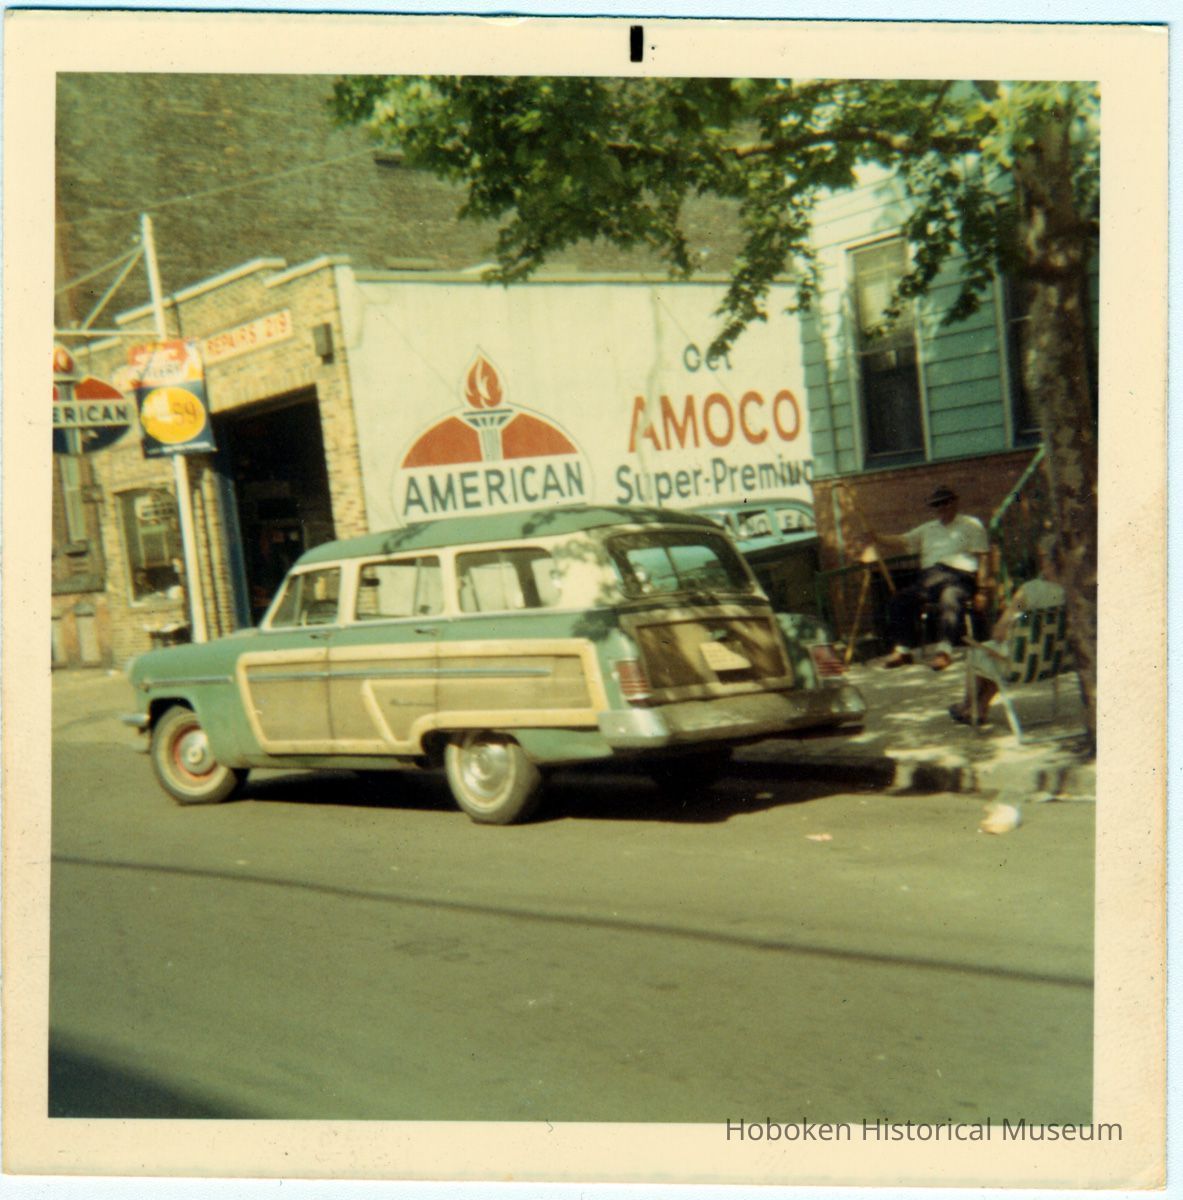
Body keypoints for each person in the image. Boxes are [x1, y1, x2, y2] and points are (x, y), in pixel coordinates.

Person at [866, 484, 990, 672]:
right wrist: (877, 537)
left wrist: (982, 590)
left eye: (946, 502)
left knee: (950, 596)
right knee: (900, 600)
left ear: (955, 502)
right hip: (931, 579)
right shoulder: (928, 529)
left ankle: (944, 652)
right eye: (937, 504)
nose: (942, 507)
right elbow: (902, 540)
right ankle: (903, 651)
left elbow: (984, 557)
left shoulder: (971, 525)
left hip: (960, 577)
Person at [949, 535, 1065, 725]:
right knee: (996, 654)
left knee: (983, 652)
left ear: (1046, 560)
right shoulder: (1074, 592)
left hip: (1021, 665)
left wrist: (1011, 623)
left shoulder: (1030, 590)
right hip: (1054, 662)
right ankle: (980, 707)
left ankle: (967, 706)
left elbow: (999, 631)